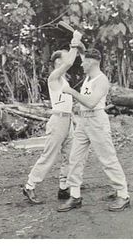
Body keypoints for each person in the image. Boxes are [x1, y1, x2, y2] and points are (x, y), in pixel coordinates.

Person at [57, 48, 130, 212]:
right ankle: (75, 196)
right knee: (74, 158)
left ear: (91, 63)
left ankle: (123, 194)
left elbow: (91, 102)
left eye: (84, 61)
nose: (81, 63)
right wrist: (76, 40)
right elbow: (84, 51)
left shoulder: (101, 80)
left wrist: (71, 91)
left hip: (97, 120)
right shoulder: (89, 75)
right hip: (83, 121)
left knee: (107, 158)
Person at [22, 31, 83, 204]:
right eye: (64, 59)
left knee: (70, 155)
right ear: (58, 62)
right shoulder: (54, 77)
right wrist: (75, 41)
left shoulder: (64, 80)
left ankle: (63, 187)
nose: (68, 62)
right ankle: (29, 185)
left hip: (67, 120)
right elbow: (71, 60)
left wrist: (73, 119)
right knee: (49, 155)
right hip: (57, 121)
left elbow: (67, 102)